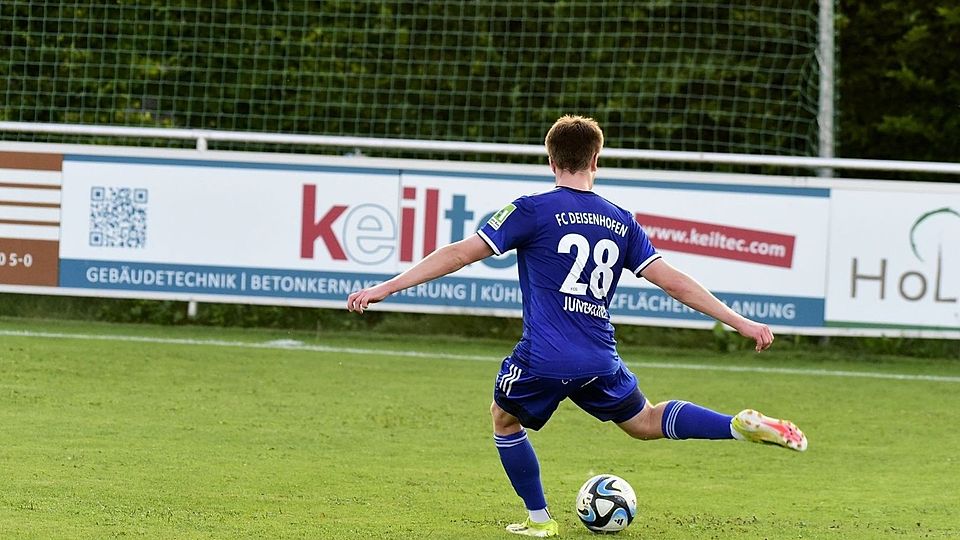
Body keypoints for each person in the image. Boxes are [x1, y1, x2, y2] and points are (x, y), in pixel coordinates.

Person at [346, 115, 807, 538]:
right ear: (595, 160)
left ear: (551, 161)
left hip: (544, 357)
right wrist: (739, 321)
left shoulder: (531, 209)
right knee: (645, 421)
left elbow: (459, 253)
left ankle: (539, 520)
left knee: (503, 420)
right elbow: (676, 283)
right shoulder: (621, 219)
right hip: (597, 358)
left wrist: (389, 286)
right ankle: (735, 426)